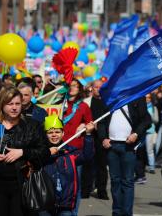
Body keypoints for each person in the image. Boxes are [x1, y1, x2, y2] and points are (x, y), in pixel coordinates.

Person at [0, 86, 50, 216]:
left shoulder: (32, 125)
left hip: (22, 184)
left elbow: (45, 151)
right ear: (2, 104)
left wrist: (23, 152)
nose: (14, 107)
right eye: (10, 104)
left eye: (17, 103)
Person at [98, 97, 151, 216]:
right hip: (111, 145)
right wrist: (103, 138)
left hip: (128, 146)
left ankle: (126, 213)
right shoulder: (110, 97)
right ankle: (116, 212)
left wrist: (136, 134)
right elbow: (101, 121)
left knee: (127, 181)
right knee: (115, 181)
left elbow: (146, 120)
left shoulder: (137, 96)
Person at [41, 115, 95, 216]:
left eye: (57, 132)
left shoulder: (70, 152)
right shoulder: (40, 152)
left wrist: (88, 134)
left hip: (65, 204)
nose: (54, 135)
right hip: (45, 204)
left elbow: (87, 156)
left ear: (63, 133)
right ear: (45, 135)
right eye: (50, 132)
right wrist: (46, 153)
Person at [62, 79, 93, 215]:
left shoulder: (83, 106)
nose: (72, 88)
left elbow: (92, 124)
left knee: (74, 184)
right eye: (70, 85)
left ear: (80, 89)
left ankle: (73, 212)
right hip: (59, 147)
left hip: (75, 148)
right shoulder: (60, 104)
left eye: (75, 86)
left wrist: (85, 126)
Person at [82, 80, 110, 200]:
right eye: (96, 87)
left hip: (102, 138)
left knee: (102, 166)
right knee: (87, 164)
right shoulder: (86, 102)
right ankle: (85, 190)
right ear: (91, 89)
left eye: (100, 87)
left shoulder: (108, 102)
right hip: (89, 136)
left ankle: (102, 191)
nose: (98, 89)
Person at [145, 93, 159, 173]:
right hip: (141, 131)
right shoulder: (141, 107)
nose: (147, 99)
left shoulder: (154, 108)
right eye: (145, 97)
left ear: (151, 99)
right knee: (140, 150)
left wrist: (148, 117)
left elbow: (156, 120)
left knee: (149, 150)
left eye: (148, 97)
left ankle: (151, 167)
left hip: (150, 131)